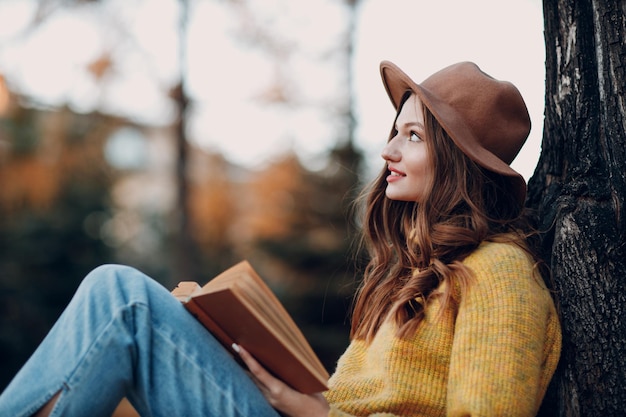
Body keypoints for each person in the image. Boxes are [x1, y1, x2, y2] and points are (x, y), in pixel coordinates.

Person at [0, 60, 561, 417]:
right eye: (395, 131)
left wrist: (312, 412)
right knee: (118, 298)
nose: (388, 151)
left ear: (462, 162)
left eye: (412, 136)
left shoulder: (499, 274)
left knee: (122, 298)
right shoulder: (412, 274)